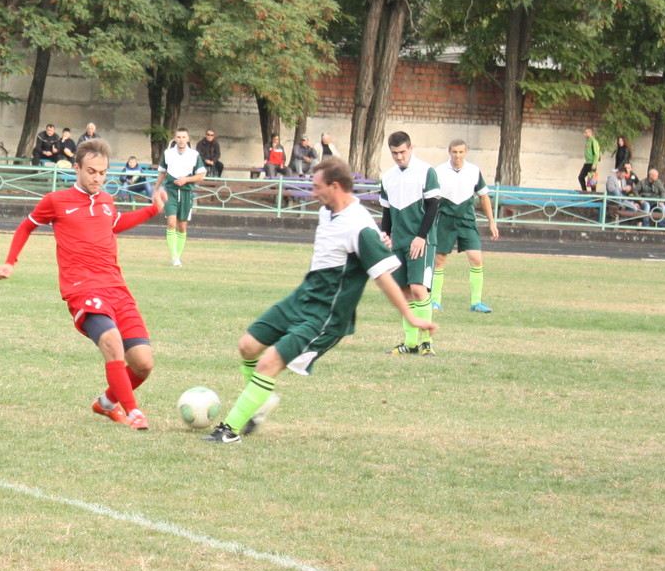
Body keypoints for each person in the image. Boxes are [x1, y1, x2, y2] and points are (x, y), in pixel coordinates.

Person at [204, 159, 436, 442]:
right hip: (303, 296)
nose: (313, 193)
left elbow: (384, 277)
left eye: (317, 187)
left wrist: (410, 316)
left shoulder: (359, 226)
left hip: (326, 314)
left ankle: (230, 430)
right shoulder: (330, 211)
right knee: (247, 346)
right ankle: (257, 404)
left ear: (335, 187)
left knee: (269, 364)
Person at [0, 139, 169, 430]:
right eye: (91, 172)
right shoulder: (55, 201)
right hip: (83, 290)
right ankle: (134, 412)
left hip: (117, 289)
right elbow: (27, 225)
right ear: (76, 168)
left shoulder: (106, 200)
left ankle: (105, 404)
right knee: (112, 343)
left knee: (143, 364)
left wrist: (152, 210)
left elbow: (114, 224)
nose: (97, 178)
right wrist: (10, 261)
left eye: (102, 173)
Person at [378, 131, 442, 355]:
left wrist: (421, 236)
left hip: (421, 241)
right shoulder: (388, 177)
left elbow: (433, 206)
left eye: (402, 152)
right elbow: (386, 212)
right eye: (394, 153)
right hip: (399, 243)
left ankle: (427, 342)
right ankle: (411, 343)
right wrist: (384, 236)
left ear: (411, 148)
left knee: (418, 288)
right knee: (404, 292)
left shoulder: (426, 171)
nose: (398, 157)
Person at [432, 139, 499, 314]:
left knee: (476, 258)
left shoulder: (474, 171)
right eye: (454, 152)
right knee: (439, 261)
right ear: (449, 152)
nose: (457, 156)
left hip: (466, 220)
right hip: (445, 220)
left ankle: (476, 302)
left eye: (461, 152)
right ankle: (435, 301)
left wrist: (492, 222)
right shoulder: (438, 171)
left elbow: (484, 197)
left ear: (466, 152)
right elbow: (430, 199)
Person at [158, 126, 205, 267]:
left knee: (182, 226)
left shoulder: (194, 155)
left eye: (183, 137)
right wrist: (156, 189)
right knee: (171, 222)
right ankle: (174, 257)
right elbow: (162, 172)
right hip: (170, 191)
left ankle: (177, 255)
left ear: (188, 139)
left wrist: (186, 180)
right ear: (175, 138)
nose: (181, 140)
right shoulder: (168, 153)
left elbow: (201, 175)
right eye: (178, 137)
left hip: (186, 192)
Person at [578, 128, 600, 193]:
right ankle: (584, 191)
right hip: (587, 163)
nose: (585, 134)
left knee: (592, 181)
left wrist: (594, 164)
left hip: (592, 163)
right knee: (581, 177)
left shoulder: (594, 141)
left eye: (586, 133)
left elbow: (596, 154)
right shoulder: (587, 141)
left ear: (590, 133)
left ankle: (594, 194)